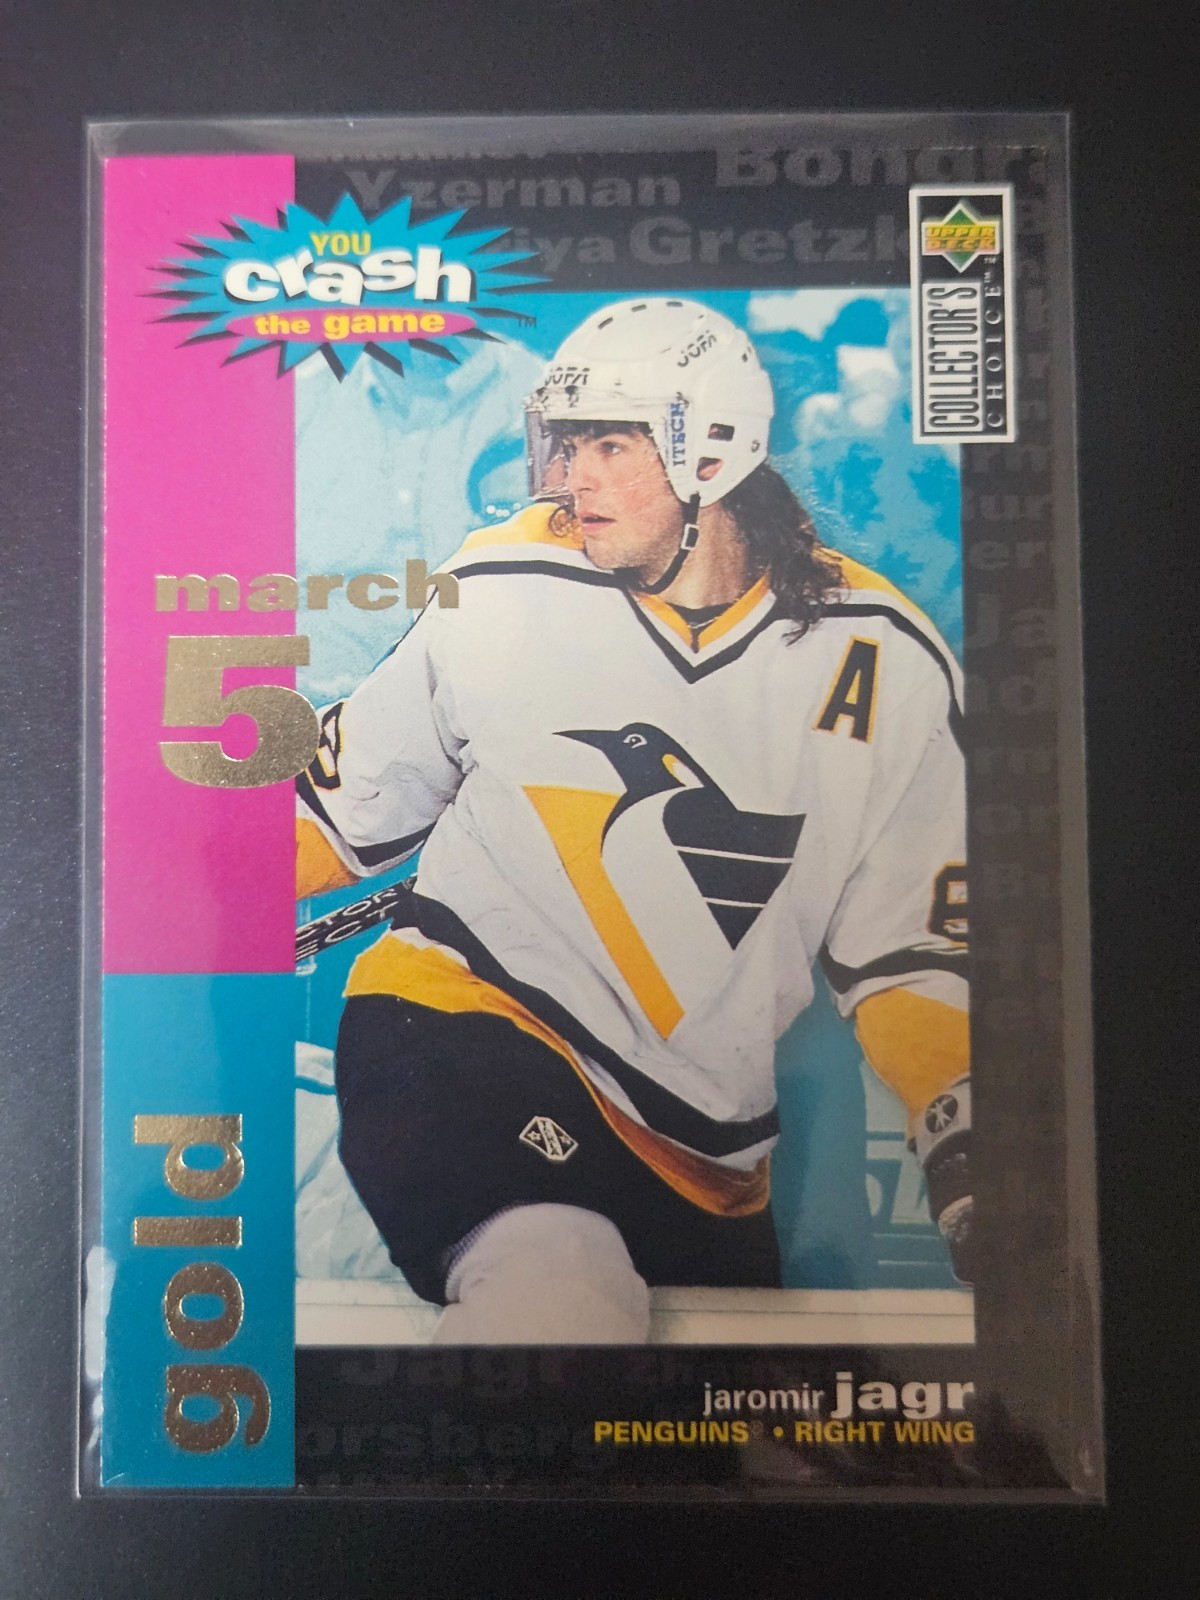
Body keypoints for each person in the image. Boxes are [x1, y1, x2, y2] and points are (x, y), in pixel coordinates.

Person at [295, 298, 972, 1343]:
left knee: (712, 1414)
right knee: (558, 1299)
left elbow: (910, 952)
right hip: (463, 1024)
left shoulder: (884, 656)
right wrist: (164, 912)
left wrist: (965, 1140)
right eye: (565, 445)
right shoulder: (507, 578)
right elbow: (344, 808)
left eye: (610, 444)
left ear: (713, 452)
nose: (574, 477)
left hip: (709, 1154)